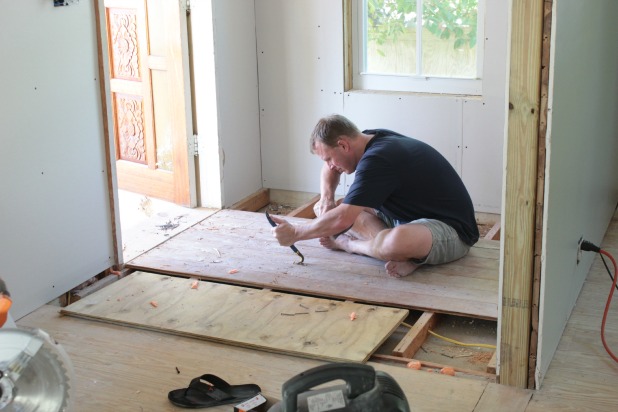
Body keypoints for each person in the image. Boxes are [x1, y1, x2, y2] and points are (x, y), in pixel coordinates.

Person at [270, 114, 479, 277]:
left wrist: (296, 233)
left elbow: (343, 218)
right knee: (343, 210)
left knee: (391, 240)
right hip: (407, 218)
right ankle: (396, 252)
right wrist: (326, 199)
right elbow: (331, 174)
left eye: (329, 158)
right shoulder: (367, 139)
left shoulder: (378, 159)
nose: (330, 166)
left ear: (343, 145)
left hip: (452, 230)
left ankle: (355, 246)